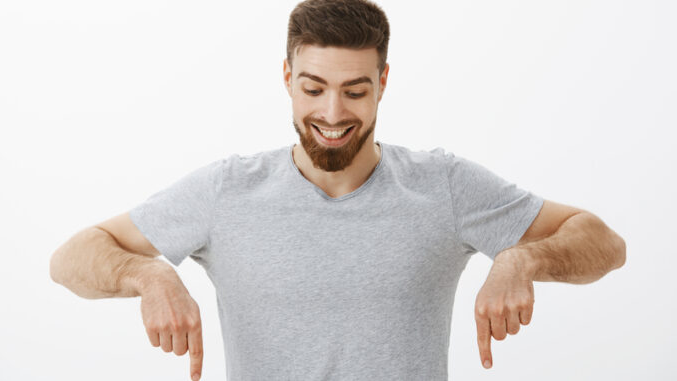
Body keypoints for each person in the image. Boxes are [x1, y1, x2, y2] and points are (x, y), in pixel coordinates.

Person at [49, 0, 626, 380]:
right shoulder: (227, 191)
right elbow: (71, 257)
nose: (331, 112)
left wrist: (522, 257)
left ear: (383, 82)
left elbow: (603, 242)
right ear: (286, 79)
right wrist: (148, 274)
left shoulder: (444, 185)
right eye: (313, 88)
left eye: (354, 90)